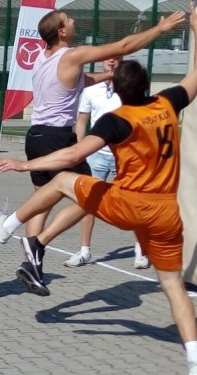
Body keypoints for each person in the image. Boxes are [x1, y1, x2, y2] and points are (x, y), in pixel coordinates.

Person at [0, 3, 197, 375]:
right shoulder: (168, 103)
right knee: (173, 284)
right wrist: (193, 28)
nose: (73, 22)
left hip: (124, 202)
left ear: (117, 90)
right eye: (69, 20)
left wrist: (24, 164)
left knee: (62, 184)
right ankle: (196, 357)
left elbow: (74, 146)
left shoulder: (107, 113)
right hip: (167, 212)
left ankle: (21, 236)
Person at [0, 6, 186, 293]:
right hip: (57, 137)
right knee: (92, 194)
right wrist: (160, 30)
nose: (74, 20)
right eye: (68, 20)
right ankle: (18, 234)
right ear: (62, 31)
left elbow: (80, 82)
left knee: (43, 199)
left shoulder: (44, 57)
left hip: (37, 135)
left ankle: (31, 262)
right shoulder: (72, 54)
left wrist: (108, 76)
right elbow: (124, 45)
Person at [63, 55, 150, 270]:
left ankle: (141, 250)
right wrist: (81, 149)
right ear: (101, 62)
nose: (111, 62)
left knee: (133, 201)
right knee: (88, 201)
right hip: (97, 154)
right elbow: (82, 122)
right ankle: (84, 250)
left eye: (116, 58)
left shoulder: (128, 89)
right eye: (107, 59)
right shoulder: (90, 90)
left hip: (125, 154)